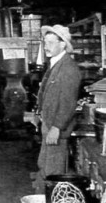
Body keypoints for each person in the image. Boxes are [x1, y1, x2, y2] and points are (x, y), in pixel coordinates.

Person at [32, 24, 82, 194]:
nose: (46, 46)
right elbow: (47, 92)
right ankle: (43, 195)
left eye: (51, 42)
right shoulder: (55, 64)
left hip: (56, 127)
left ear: (63, 44)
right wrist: (39, 113)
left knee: (53, 170)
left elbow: (67, 103)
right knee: (44, 164)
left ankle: (51, 197)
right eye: (45, 42)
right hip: (49, 123)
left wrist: (56, 127)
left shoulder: (68, 68)